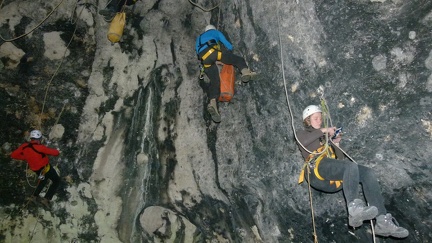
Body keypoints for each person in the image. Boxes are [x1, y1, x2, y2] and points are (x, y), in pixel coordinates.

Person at [296, 105, 408, 238]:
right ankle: (354, 209)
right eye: (316, 118)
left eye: (321, 118)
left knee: (367, 173)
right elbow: (303, 142)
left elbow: (340, 160)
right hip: (316, 171)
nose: (319, 121)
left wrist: (336, 143)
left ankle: (382, 221)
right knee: (349, 166)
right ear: (308, 120)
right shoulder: (301, 134)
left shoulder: (324, 139)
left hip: (332, 178)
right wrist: (324, 130)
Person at [195, 25, 257, 123]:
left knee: (215, 83)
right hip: (214, 53)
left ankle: (213, 103)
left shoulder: (199, 38)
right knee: (237, 60)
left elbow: (199, 51)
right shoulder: (215, 32)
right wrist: (230, 50)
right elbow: (226, 43)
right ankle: (245, 72)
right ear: (213, 29)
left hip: (205, 61)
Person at [10, 130, 60, 207]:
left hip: (35, 169)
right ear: (39, 138)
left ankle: (34, 196)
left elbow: (13, 155)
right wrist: (58, 151)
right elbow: (55, 153)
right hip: (45, 168)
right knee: (56, 180)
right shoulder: (40, 147)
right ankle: (46, 199)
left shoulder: (24, 146)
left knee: (43, 180)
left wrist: (25, 157)